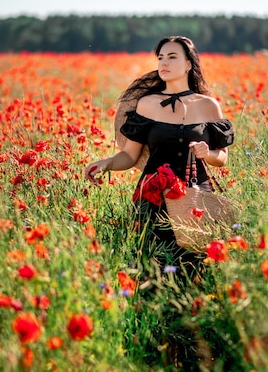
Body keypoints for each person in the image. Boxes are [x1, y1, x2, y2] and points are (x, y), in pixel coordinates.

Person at [85, 35, 234, 273]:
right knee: (151, 268)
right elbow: (130, 156)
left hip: (196, 196)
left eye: (172, 57)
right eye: (161, 57)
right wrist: (106, 164)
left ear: (188, 64)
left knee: (195, 266)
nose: (163, 63)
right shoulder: (146, 104)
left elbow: (222, 158)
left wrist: (208, 153)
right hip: (153, 198)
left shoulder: (208, 106)